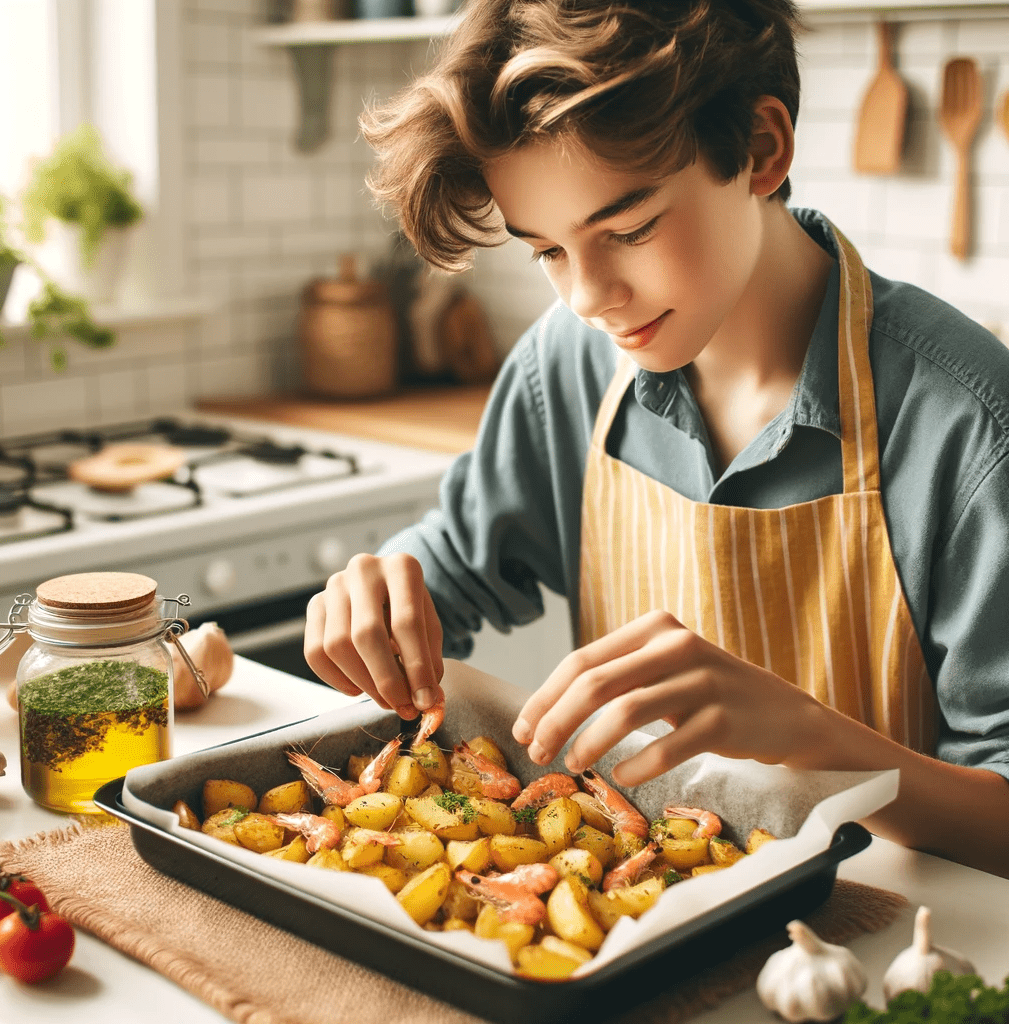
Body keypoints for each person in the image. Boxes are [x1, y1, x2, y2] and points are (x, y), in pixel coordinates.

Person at [304, 0, 1009, 876]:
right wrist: (379, 591)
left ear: (760, 148)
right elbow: (453, 568)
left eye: (628, 229)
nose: (588, 297)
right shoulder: (564, 364)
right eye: (547, 251)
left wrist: (811, 739)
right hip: (642, 928)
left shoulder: (969, 419)